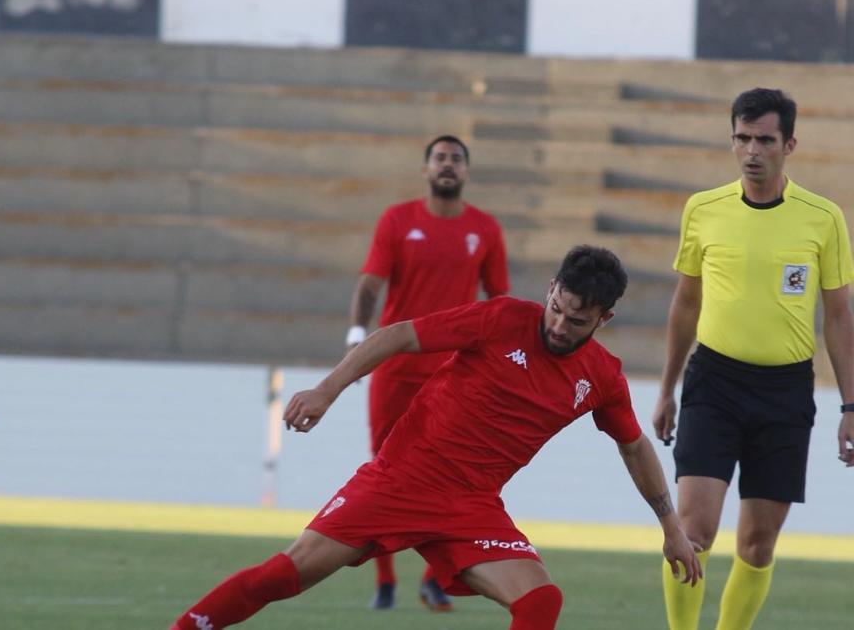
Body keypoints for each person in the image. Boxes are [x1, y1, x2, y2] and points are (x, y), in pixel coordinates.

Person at [172, 246, 701, 630]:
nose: (559, 326)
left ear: (604, 318)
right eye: (556, 309)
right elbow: (399, 335)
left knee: (541, 601)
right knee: (280, 578)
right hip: (398, 483)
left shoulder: (602, 377)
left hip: (471, 507)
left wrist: (671, 527)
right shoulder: (500, 318)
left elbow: (634, 446)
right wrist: (326, 390)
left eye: (577, 321)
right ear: (550, 291)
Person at [652, 88, 854, 630]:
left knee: (758, 544)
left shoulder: (824, 218)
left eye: (764, 140)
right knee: (692, 531)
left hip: (785, 392)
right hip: (713, 383)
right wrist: (667, 389)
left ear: (789, 144)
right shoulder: (703, 209)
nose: (752, 151)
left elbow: (839, 317)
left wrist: (851, 406)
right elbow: (686, 303)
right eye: (742, 138)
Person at [347, 133, 509, 610]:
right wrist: (357, 337)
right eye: (439, 158)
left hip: (453, 375)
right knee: (384, 470)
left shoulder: (485, 228)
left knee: (454, 475)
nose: (447, 165)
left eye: (456, 158)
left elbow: (499, 300)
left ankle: (435, 577)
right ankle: (384, 582)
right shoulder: (397, 220)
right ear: (425, 169)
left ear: (466, 171)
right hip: (395, 369)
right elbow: (370, 285)